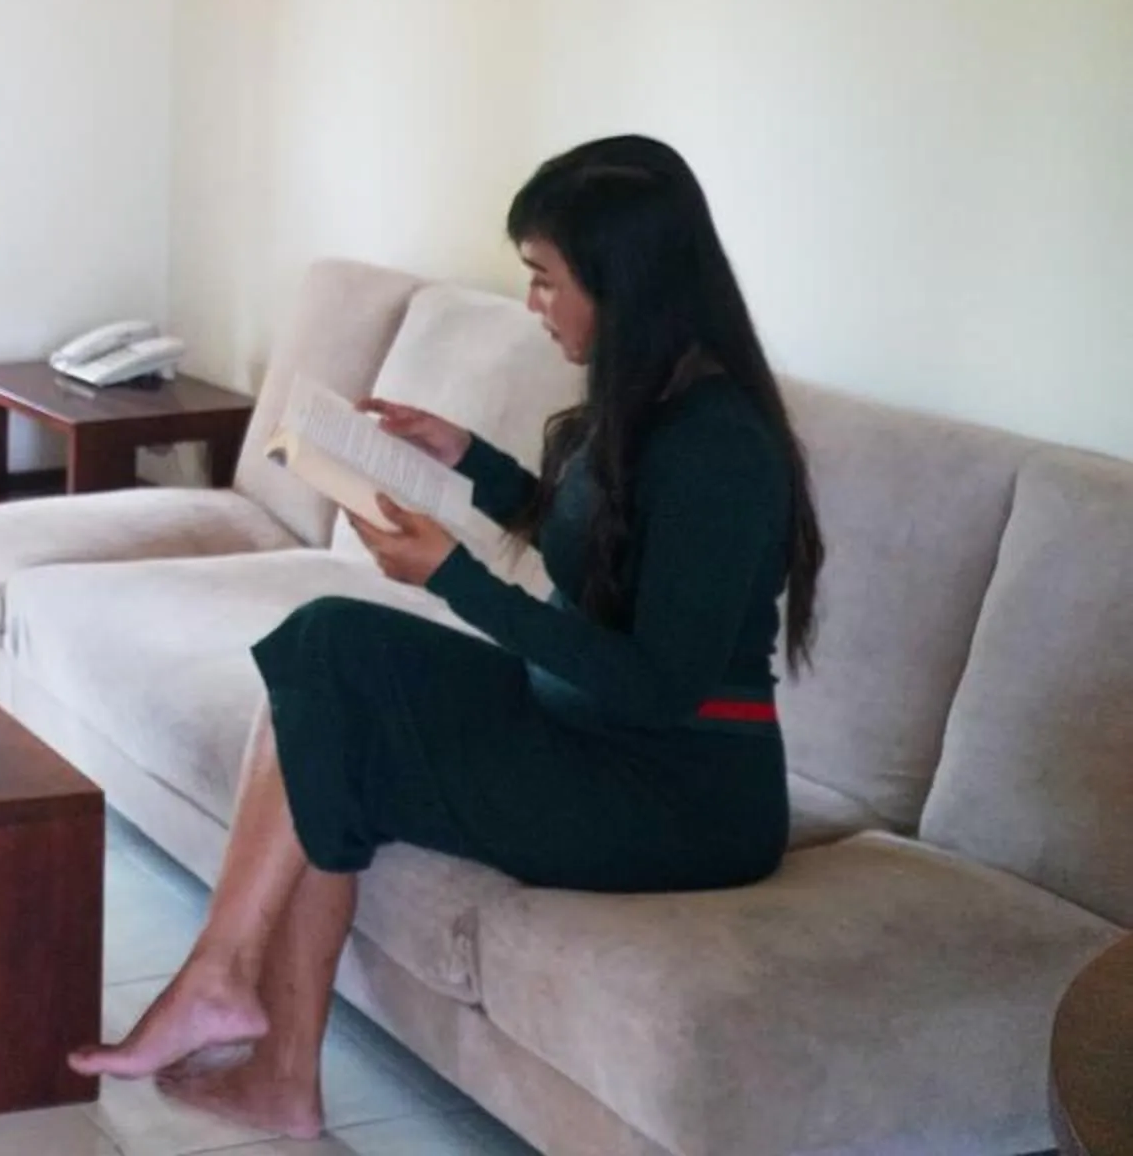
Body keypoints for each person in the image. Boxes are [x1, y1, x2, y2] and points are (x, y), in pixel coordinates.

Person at [68, 136, 827, 1138]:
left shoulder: (720, 444)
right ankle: (265, 1049)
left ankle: (233, 1000)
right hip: (588, 729)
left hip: (677, 794)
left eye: (546, 278)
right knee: (324, 648)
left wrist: (455, 577)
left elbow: (657, 684)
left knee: (337, 684)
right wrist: (470, 460)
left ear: (624, 280)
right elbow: (596, 554)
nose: (534, 303)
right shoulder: (644, 398)